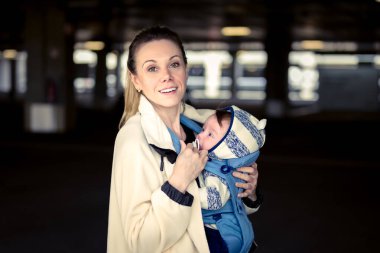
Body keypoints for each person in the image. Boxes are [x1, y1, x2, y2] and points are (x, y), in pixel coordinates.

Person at [107, 25, 262, 253]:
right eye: (152, 68)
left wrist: (247, 191)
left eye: (174, 64)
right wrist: (178, 183)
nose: (166, 76)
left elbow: (217, 206)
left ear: (185, 70)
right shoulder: (133, 140)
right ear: (136, 80)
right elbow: (141, 243)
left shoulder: (204, 126)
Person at [183, 105, 266, 253]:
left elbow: (215, 199)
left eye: (209, 135)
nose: (199, 136)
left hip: (219, 234)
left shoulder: (218, 171)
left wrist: (182, 189)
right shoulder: (218, 157)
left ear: (227, 148)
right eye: (203, 130)